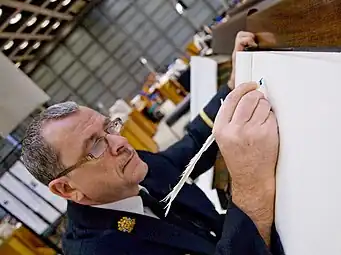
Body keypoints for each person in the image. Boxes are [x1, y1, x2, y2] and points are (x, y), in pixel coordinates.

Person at [22, 32, 283, 255]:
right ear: (66, 188)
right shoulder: (100, 249)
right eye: (95, 147)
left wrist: (232, 84)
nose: (120, 142)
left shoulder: (125, 170)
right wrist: (250, 187)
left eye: (109, 127)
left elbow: (190, 148)